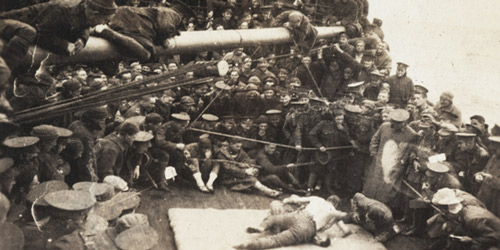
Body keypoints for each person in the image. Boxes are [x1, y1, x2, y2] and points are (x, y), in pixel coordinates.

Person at [1, 0, 118, 56]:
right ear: (94, 13)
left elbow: (85, 25)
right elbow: (41, 33)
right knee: (29, 32)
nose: (104, 24)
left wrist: (82, 38)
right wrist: (64, 45)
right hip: (6, 22)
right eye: (105, 20)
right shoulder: (64, 10)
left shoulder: (85, 12)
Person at [234, 195, 350, 249]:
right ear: (335, 204)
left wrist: (288, 200)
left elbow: (296, 199)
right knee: (276, 240)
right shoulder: (332, 210)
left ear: (328, 199)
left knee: (274, 219)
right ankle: (248, 245)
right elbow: (341, 218)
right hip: (309, 227)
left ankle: (262, 227)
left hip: (298, 215)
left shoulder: (318, 199)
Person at [363, 109, 418, 206]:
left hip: (394, 166)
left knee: (387, 189)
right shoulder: (385, 127)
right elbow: (375, 139)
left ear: (404, 123)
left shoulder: (411, 134)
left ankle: (382, 208)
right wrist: (374, 153)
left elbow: (410, 151)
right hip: (379, 161)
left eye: (396, 123)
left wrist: (401, 162)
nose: (393, 124)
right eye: (392, 121)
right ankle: (367, 204)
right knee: (372, 184)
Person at [475, 136, 500, 217]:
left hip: (496, 203)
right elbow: (485, 170)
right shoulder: (494, 157)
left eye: (497, 147)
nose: (493, 149)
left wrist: (491, 179)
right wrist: (479, 175)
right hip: (484, 196)